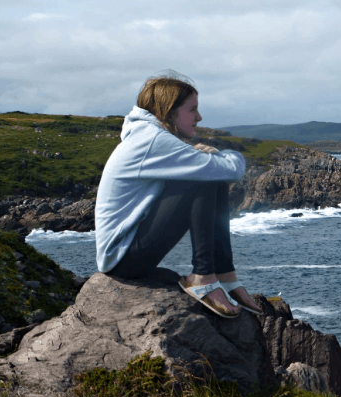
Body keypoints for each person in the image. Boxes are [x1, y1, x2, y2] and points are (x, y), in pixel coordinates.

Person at [95, 73, 262, 318]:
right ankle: (202, 278)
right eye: (192, 110)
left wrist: (206, 160)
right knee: (203, 180)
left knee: (208, 178)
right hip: (123, 259)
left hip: (127, 251)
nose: (199, 117)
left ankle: (225, 275)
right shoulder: (153, 140)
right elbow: (234, 168)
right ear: (170, 111)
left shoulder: (149, 136)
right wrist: (221, 156)